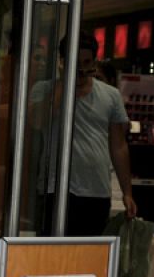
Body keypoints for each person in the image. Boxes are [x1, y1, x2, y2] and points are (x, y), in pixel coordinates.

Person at [30, 36, 135, 236]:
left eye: (87, 63)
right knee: (52, 256)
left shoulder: (110, 95)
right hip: (54, 189)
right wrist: (64, 82)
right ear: (63, 61)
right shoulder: (45, 90)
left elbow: (118, 146)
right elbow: (37, 121)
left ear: (94, 62)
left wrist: (127, 192)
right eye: (75, 63)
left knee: (87, 257)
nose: (81, 69)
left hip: (96, 191)